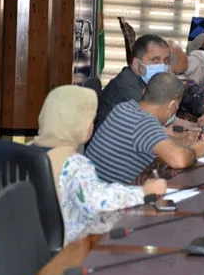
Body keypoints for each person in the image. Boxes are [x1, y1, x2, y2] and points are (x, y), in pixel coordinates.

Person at [32, 85, 168, 244]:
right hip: (73, 244)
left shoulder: (29, 150)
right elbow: (97, 201)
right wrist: (144, 191)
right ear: (78, 124)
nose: (92, 124)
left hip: (35, 241)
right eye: (91, 120)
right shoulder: (75, 164)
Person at [86, 73, 204, 184]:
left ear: (144, 91)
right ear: (172, 105)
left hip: (91, 190)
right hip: (108, 198)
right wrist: (195, 151)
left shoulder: (124, 107)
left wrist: (183, 142)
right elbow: (179, 160)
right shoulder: (145, 122)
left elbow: (153, 141)